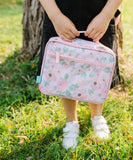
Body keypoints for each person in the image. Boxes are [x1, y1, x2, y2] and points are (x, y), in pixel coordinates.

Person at [37, 0, 122, 150]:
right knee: (65, 71)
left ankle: (97, 116)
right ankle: (71, 122)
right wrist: (56, 16)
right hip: (61, 12)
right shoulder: (57, 16)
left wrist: (106, 14)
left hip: (100, 13)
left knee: (99, 68)